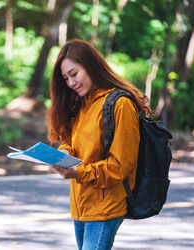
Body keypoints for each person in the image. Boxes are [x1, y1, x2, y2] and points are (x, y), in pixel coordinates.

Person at [47, 39, 151, 250]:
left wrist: (78, 172)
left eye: (74, 74)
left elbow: (120, 167)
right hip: (80, 205)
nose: (71, 83)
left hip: (105, 207)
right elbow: (74, 143)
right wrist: (63, 153)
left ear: (91, 65)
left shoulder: (121, 105)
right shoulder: (82, 102)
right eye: (66, 78)